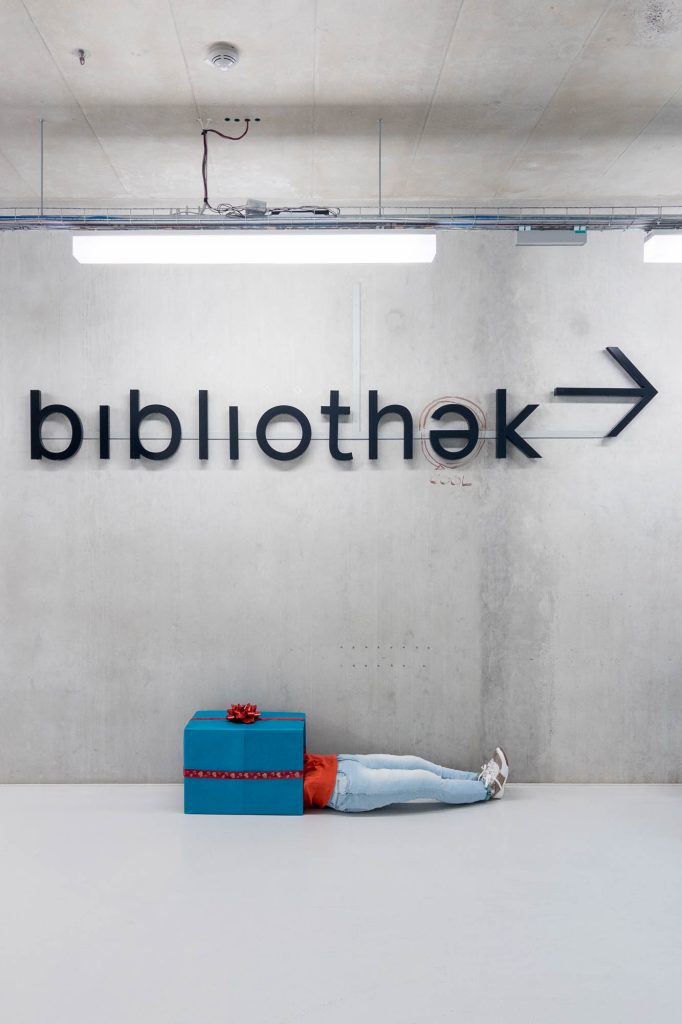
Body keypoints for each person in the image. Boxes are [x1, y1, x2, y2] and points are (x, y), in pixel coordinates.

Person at [303, 747, 509, 812]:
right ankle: (488, 789)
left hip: (338, 762)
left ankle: (477, 779)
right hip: (341, 788)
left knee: (418, 764)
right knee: (424, 781)